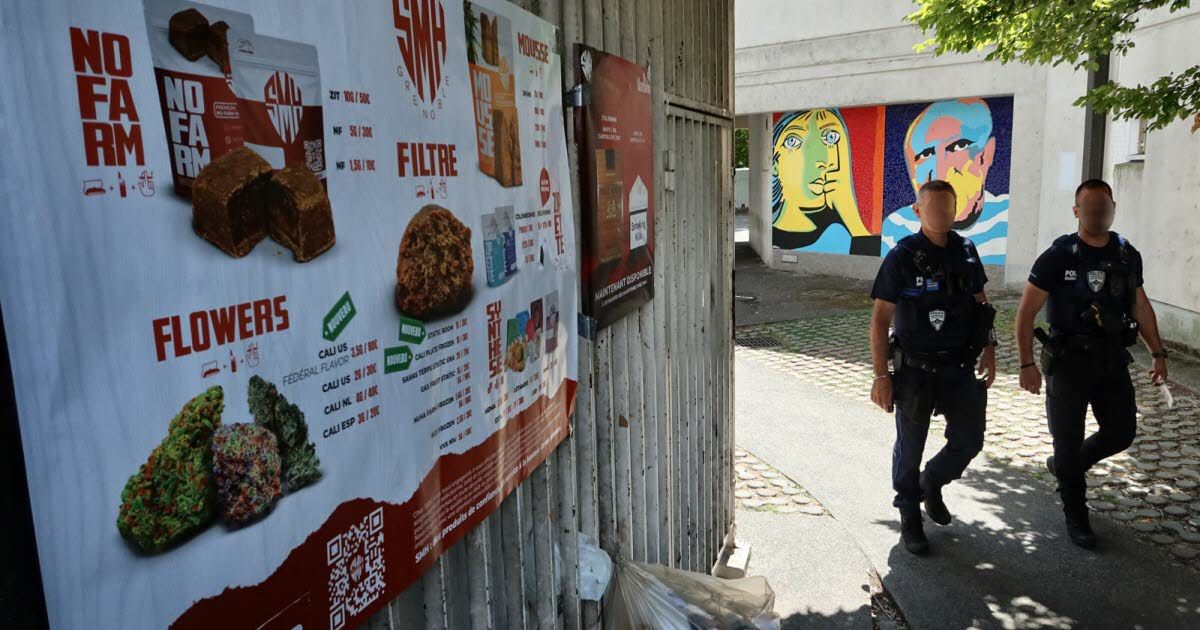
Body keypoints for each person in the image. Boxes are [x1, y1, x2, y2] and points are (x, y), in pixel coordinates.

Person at [1014, 179, 1168, 548]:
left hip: (1112, 360)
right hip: (1068, 363)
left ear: (1113, 208)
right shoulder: (1058, 256)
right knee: (1067, 441)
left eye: (1104, 207)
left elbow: (1140, 306)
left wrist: (1158, 353)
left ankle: (1065, 469)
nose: (1098, 214)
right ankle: (1076, 514)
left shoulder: (1128, 254)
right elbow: (1026, 312)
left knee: (1121, 432)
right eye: (1090, 207)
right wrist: (1025, 363)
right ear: (1076, 211)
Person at [869, 179, 997, 555]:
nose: (942, 214)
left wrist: (990, 348)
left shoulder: (967, 250)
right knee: (910, 448)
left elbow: (981, 303)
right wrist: (881, 376)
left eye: (948, 207)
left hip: (959, 367)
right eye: (934, 207)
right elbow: (879, 320)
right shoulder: (903, 256)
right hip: (916, 370)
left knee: (970, 440)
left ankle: (932, 483)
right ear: (919, 211)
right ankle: (909, 512)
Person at [881, 98, 1009, 265]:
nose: (939, 169)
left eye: (956, 147)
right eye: (925, 155)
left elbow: (977, 290)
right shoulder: (896, 225)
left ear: (985, 155)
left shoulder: (1008, 216)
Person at [771, 108, 880, 255]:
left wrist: (853, 221)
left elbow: (870, 267)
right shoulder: (768, 233)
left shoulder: (841, 229)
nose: (820, 161)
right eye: (793, 141)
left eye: (831, 138)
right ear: (775, 164)